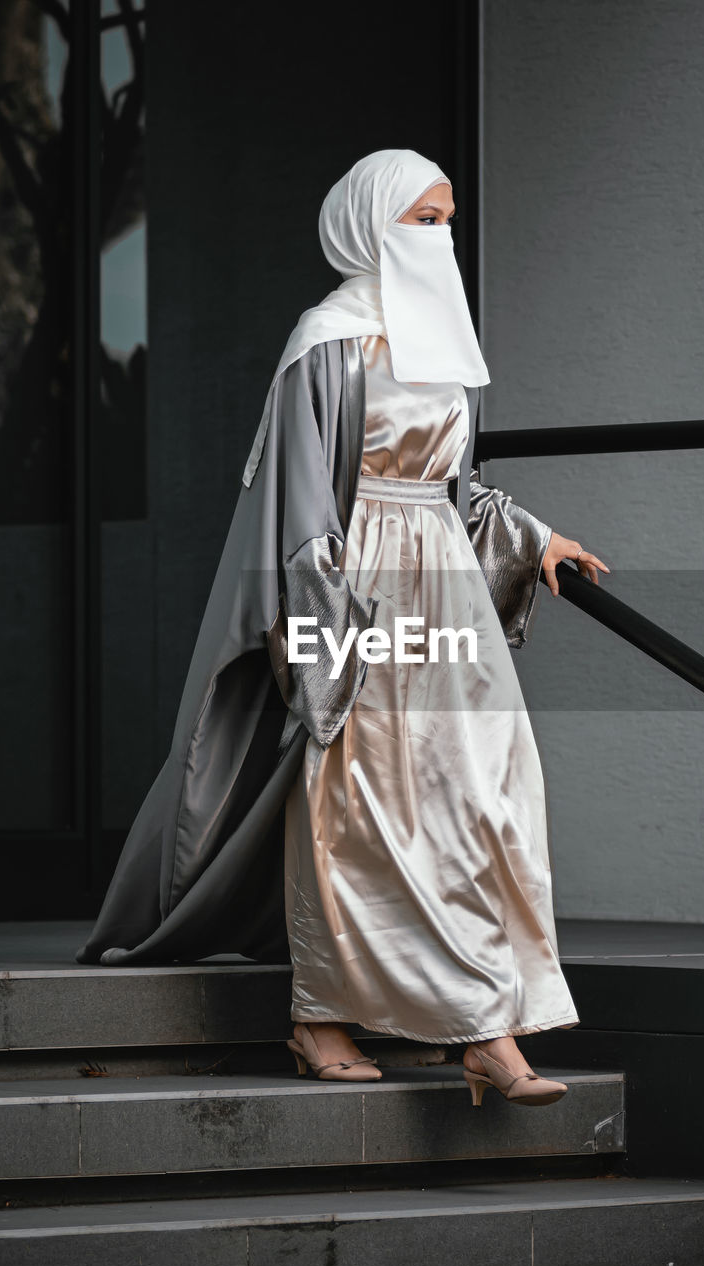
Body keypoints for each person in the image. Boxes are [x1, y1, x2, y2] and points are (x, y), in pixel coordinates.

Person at [75, 149, 609, 1109]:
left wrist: (535, 541)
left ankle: (484, 1020)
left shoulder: (445, 346)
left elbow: (453, 489)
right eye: (422, 219)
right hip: (359, 592)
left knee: (487, 790)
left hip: (444, 589)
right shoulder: (326, 341)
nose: (441, 237)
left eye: (448, 219)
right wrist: (324, 627)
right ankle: (379, 1024)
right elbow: (297, 502)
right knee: (360, 803)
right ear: (368, 224)